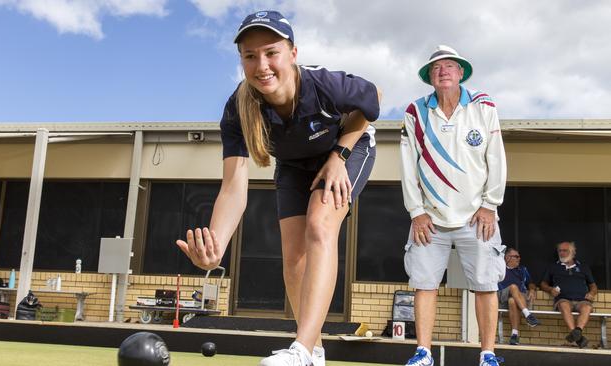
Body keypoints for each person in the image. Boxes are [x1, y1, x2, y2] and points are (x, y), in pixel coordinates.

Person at [176, 10, 380, 366]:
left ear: (293, 53)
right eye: (250, 56)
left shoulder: (322, 84)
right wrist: (217, 247)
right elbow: (234, 185)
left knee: (320, 225)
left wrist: (339, 155)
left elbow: (371, 100)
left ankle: (300, 349)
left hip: (348, 148)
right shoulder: (238, 109)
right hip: (293, 166)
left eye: (271, 52)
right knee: (293, 257)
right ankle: (314, 352)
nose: (262, 65)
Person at [399, 45, 507, 366]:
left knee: (486, 285)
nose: (443, 71)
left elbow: (496, 158)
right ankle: (424, 353)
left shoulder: (483, 106)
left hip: (478, 216)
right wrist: (416, 211)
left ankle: (487, 355)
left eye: (449, 66)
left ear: (461, 72)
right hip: (429, 218)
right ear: (430, 78)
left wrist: (491, 204)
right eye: (436, 68)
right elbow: (407, 166)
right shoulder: (415, 112)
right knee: (423, 285)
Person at [540, 241, 597, 348]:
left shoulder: (583, 266)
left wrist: (592, 293)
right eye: (560, 251)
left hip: (581, 300)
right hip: (563, 299)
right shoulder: (553, 267)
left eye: (565, 250)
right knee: (564, 305)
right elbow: (543, 284)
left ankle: (577, 332)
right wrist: (550, 289)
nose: (561, 253)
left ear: (573, 252)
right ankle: (578, 337)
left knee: (587, 307)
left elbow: (593, 285)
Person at [497, 247, 539, 345]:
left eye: (519, 257)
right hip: (503, 297)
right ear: (507, 257)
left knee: (512, 301)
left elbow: (531, 283)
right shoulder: (500, 268)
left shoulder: (522, 269)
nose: (519, 258)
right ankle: (528, 315)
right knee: (513, 287)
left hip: (520, 298)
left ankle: (514, 335)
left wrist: (532, 289)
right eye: (516, 256)